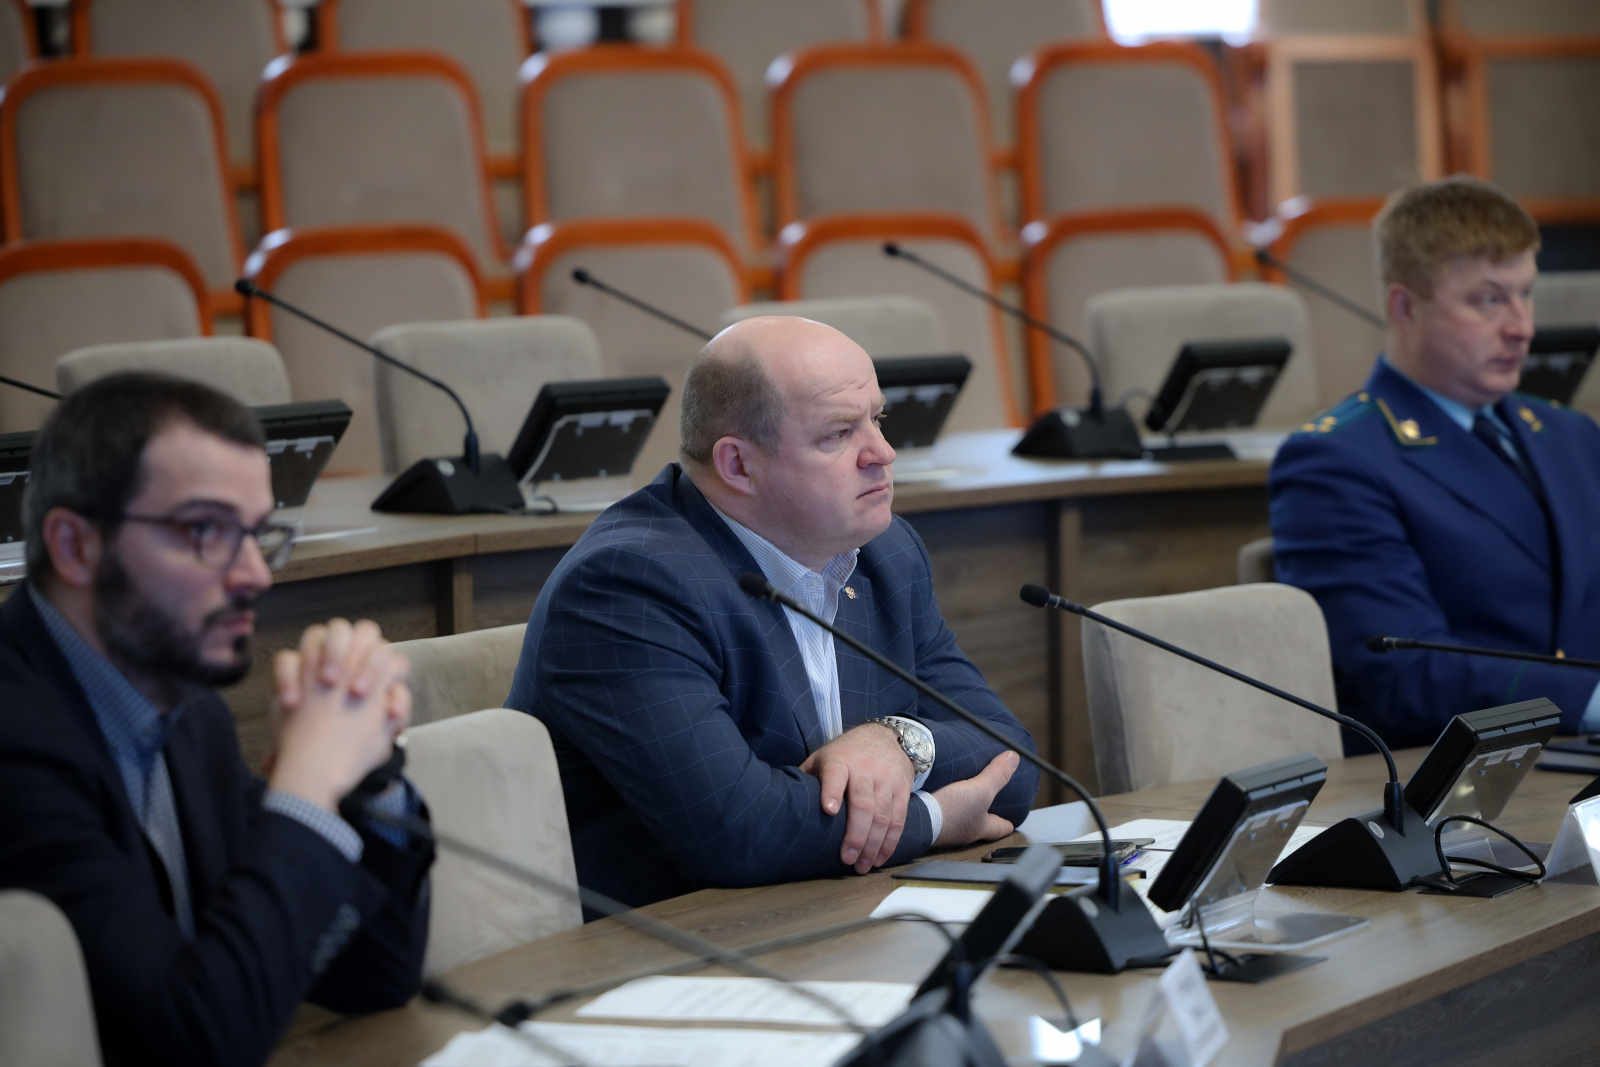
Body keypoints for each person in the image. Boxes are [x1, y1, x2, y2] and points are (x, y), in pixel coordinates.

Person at [509, 316, 1039, 909]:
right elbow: (738, 832)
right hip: (666, 938)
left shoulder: (884, 553)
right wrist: (935, 819)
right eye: (839, 433)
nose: (883, 453)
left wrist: (896, 741)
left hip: (833, 912)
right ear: (738, 465)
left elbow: (1011, 764)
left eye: (878, 419)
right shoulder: (626, 586)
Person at [0, 373, 434, 1067]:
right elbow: (190, 1045)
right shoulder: (18, 743)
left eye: (256, 533)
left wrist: (368, 773)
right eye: (205, 530)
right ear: (76, 545)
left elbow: (372, 975)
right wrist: (308, 787)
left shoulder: (188, 708)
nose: (255, 575)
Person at [1271, 176, 1600, 750]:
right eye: (1489, 300)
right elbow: (1408, 674)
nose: (1522, 327)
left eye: (1525, 294)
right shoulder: (1334, 462)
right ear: (1405, 306)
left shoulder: (1569, 434)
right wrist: (1591, 700)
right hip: (1463, 773)